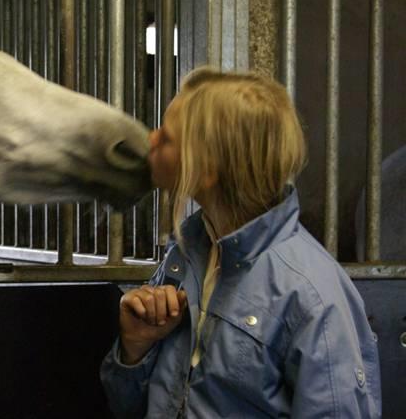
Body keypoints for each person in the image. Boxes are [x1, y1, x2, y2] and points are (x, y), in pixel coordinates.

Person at [100, 67, 382, 418]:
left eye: (168, 138)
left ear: (208, 167)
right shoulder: (184, 256)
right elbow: (130, 408)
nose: (151, 140)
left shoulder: (311, 296)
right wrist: (135, 347)